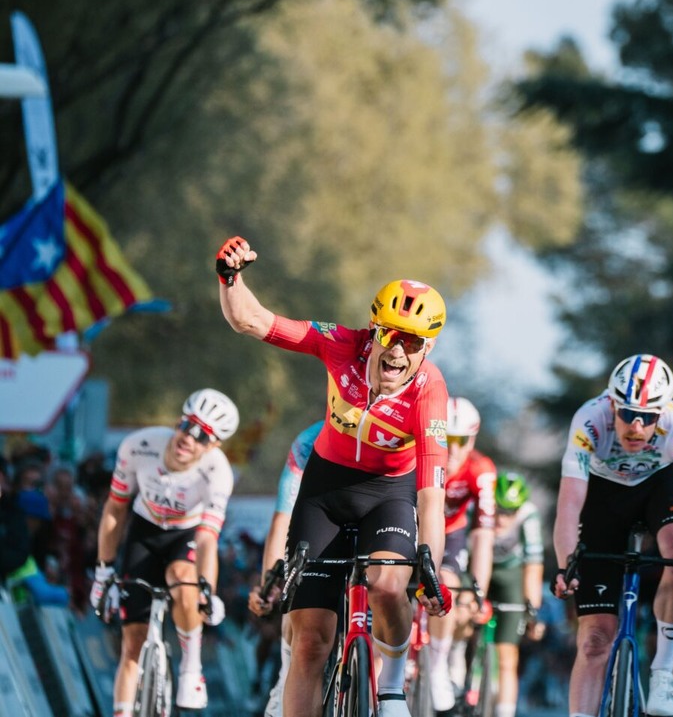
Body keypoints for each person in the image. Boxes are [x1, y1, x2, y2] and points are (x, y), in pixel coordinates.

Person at [216, 236, 451, 717]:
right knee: (309, 642)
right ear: (373, 331)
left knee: (389, 586)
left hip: (389, 493)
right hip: (325, 491)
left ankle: (391, 687)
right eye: (390, 336)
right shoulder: (342, 344)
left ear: (427, 348)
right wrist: (230, 278)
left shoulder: (430, 391)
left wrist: (430, 563)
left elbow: (431, 492)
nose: (398, 352)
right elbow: (251, 320)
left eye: (412, 343)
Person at [553, 353, 673, 717]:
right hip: (603, 494)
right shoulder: (589, 420)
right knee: (594, 640)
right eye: (627, 414)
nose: (636, 426)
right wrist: (565, 566)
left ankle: (663, 670)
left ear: (662, 412)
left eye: (648, 417)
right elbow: (570, 503)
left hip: (658, 487)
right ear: (612, 405)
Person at [90, 389, 237, 716]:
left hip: (185, 536)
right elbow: (115, 509)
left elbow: (207, 539)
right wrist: (103, 573)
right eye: (187, 425)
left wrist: (208, 591)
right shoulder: (139, 446)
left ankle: (191, 668)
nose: (189, 437)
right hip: (144, 531)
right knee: (132, 642)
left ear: (213, 445)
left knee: (182, 578)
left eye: (202, 435)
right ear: (178, 422)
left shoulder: (218, 473)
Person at [247, 418, 323, 717]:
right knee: (295, 597)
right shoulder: (308, 443)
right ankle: (282, 680)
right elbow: (282, 520)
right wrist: (269, 583)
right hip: (313, 530)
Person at [428, 396, 496, 713]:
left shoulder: (480, 471)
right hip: (412, 527)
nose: (452, 450)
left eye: (461, 441)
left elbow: (483, 535)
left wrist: (478, 590)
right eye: (446, 440)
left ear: (472, 441)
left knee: (446, 585)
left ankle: (437, 665)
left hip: (450, 535)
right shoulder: (417, 458)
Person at [487, 470, 546, 717]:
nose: (502, 519)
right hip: (478, 566)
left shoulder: (528, 515)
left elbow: (533, 565)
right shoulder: (478, 505)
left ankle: (505, 712)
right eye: (498, 510)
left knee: (508, 655)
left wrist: (533, 612)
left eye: (509, 512)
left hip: (510, 573)